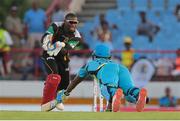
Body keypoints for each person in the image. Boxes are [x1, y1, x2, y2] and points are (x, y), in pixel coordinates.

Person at [56, 44, 148, 112]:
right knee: (128, 90)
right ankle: (138, 94)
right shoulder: (113, 62)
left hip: (106, 69)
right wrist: (108, 110)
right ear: (108, 56)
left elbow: (75, 81)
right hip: (122, 68)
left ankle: (113, 93)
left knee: (107, 88)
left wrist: (66, 93)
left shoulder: (90, 64)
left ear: (94, 56)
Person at [41, 12, 81, 111]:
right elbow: (47, 35)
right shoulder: (56, 25)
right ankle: (46, 103)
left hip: (62, 57)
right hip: (49, 54)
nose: (73, 25)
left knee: (65, 83)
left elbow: (66, 49)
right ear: (64, 21)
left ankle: (58, 101)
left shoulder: (77, 35)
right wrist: (47, 43)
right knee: (54, 75)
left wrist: (59, 46)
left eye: (75, 22)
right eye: (71, 22)